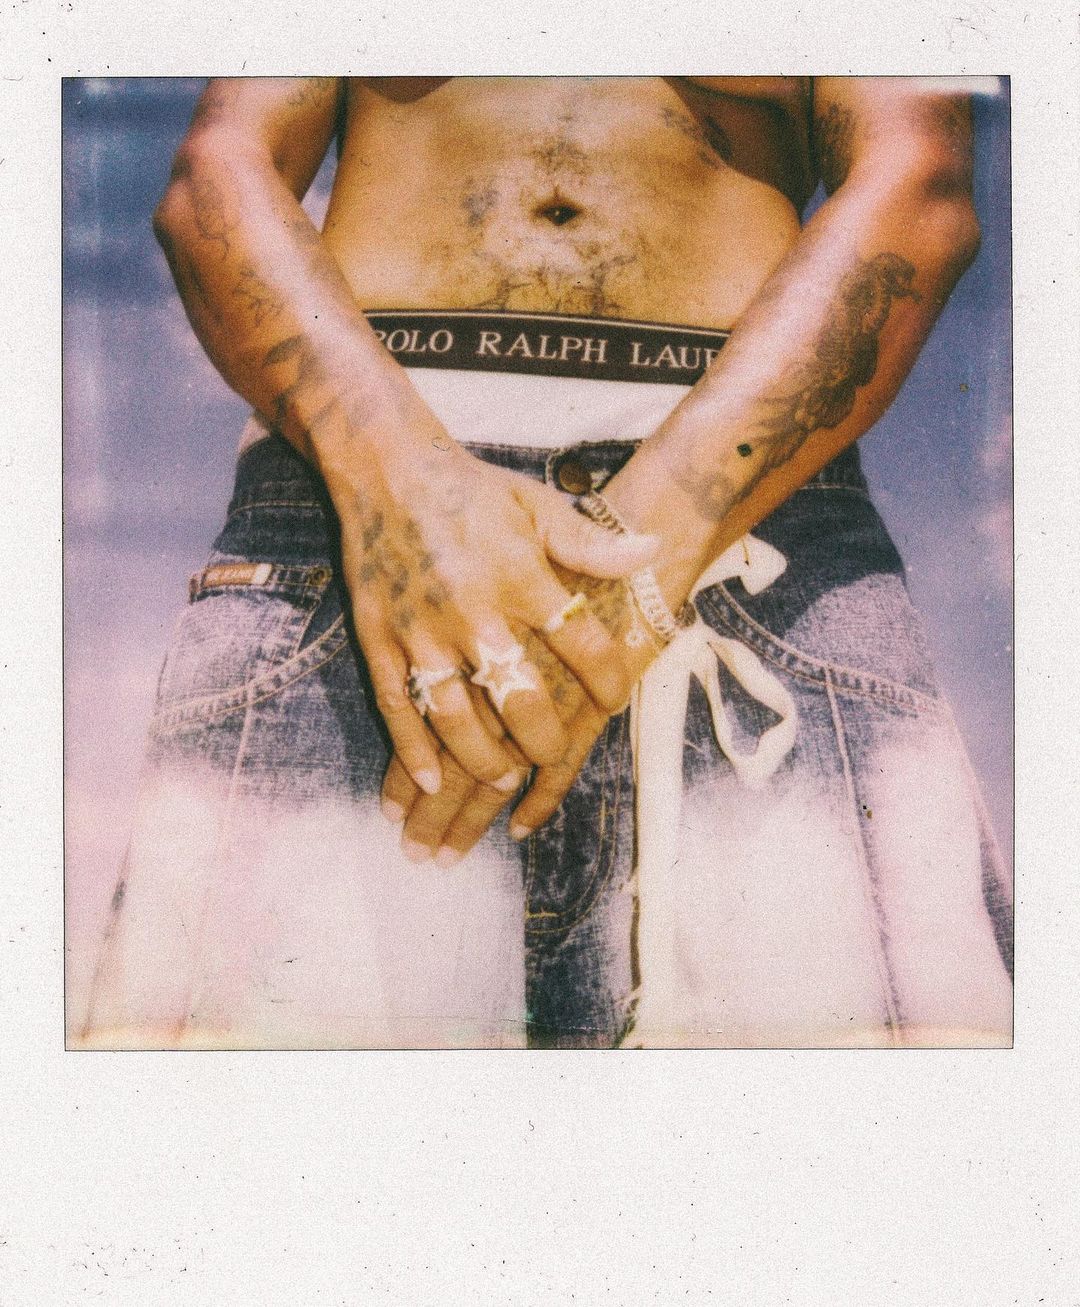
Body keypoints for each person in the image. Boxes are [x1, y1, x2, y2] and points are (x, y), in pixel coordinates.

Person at [80, 75, 1012, 1049]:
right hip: (360, 517)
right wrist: (405, 487)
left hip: (751, 530)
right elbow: (222, 169)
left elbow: (916, 177)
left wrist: (640, 551)